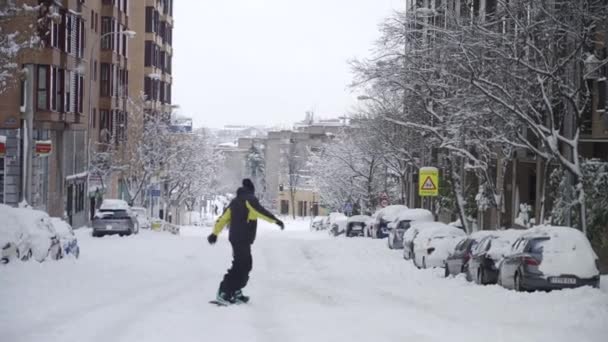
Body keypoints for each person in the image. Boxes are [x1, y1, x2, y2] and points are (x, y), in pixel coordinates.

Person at [207, 179, 284, 305]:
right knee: (241, 265)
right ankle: (224, 292)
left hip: (239, 239)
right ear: (251, 190)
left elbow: (223, 218)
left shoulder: (235, 201)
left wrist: (215, 233)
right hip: (241, 239)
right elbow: (261, 212)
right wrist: (276, 221)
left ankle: (235, 290)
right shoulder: (250, 200)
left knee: (245, 265)